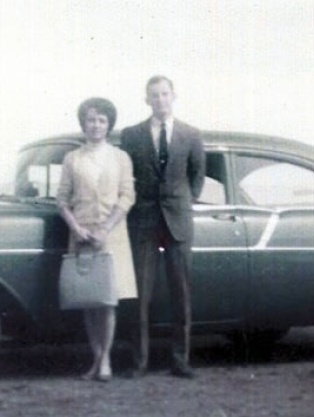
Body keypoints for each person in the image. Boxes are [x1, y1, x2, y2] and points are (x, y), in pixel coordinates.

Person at [120, 76, 206, 378]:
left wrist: (184, 202)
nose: (160, 100)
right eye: (154, 95)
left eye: (165, 94)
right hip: (143, 220)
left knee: (181, 292)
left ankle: (180, 360)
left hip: (178, 221)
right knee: (139, 294)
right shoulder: (131, 135)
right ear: (147, 100)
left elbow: (198, 176)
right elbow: (125, 175)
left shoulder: (191, 134)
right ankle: (139, 362)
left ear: (174, 96)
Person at [56, 97, 138, 381]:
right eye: (91, 119)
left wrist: (106, 228)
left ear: (108, 124)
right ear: (83, 123)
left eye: (102, 120)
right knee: (89, 301)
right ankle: (96, 359)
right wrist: (76, 227)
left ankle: (105, 362)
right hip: (81, 234)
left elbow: (128, 196)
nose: (96, 125)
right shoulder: (72, 158)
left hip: (111, 233)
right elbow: (62, 200)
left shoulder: (120, 157)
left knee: (108, 301)